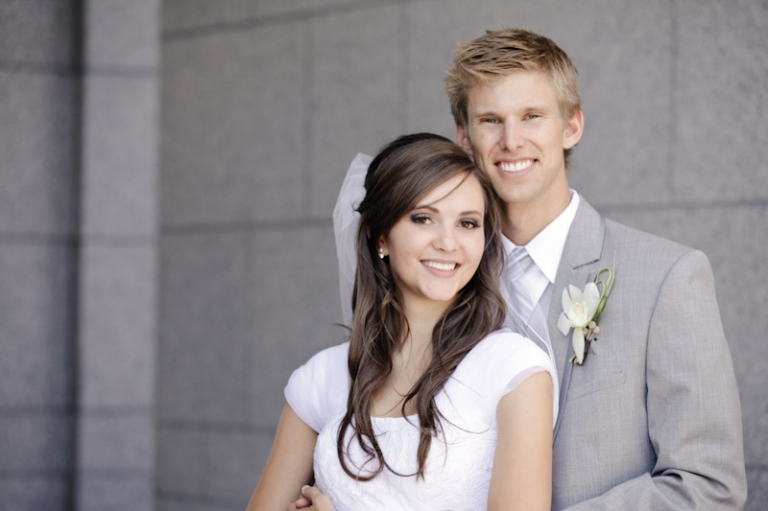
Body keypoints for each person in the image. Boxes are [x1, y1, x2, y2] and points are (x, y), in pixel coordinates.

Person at [320, 28, 747, 510]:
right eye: (490, 120)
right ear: (464, 138)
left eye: (532, 116)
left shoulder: (667, 277)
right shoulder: (436, 276)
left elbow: (708, 484)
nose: (511, 141)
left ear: (572, 126)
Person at [246, 133, 558, 510]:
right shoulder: (321, 378)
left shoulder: (514, 370)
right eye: (424, 218)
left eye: (468, 223)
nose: (448, 243)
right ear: (381, 236)